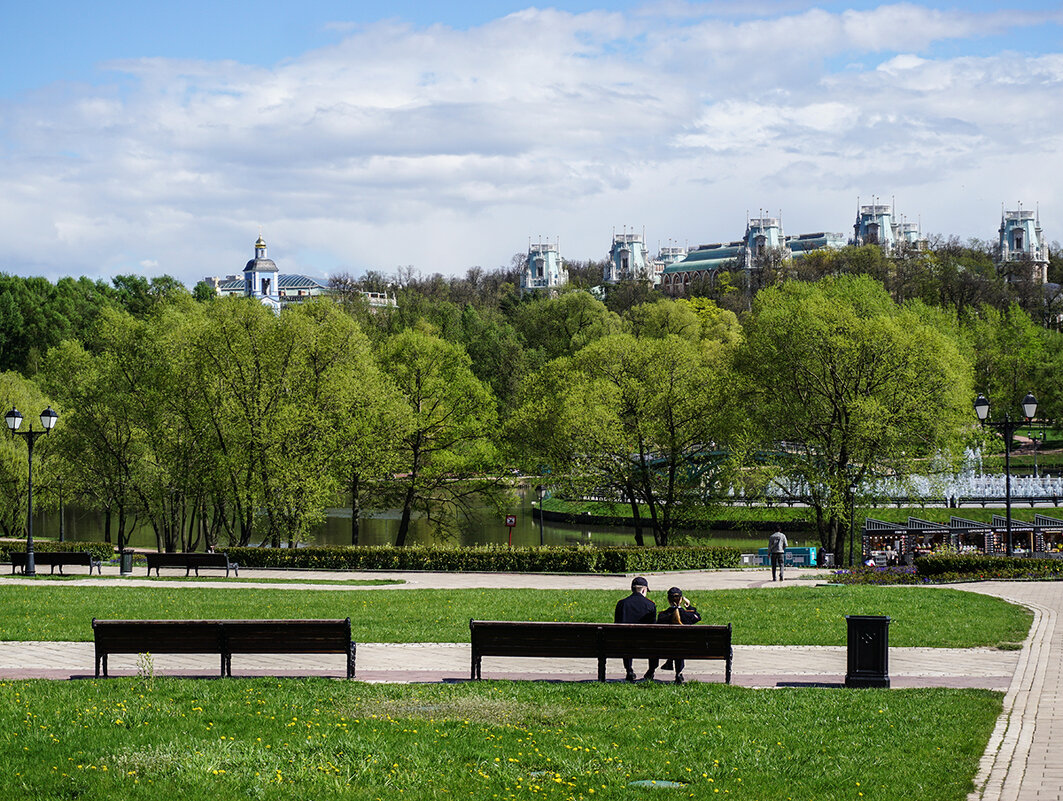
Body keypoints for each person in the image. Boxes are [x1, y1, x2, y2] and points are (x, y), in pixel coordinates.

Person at [614, 576, 658, 682]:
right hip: (646, 644)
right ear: (644, 589)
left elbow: (616, 624)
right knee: (655, 642)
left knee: (626, 639)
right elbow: (654, 628)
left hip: (626, 644)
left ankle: (629, 670)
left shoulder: (622, 604)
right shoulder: (650, 605)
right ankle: (651, 671)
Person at [656, 587, 701, 684]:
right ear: (681, 600)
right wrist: (689, 607)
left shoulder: (662, 616)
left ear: (668, 600)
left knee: (673, 644)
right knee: (680, 644)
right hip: (685, 648)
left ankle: (669, 663)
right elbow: (698, 617)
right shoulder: (688, 616)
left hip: (665, 647)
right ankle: (679, 672)